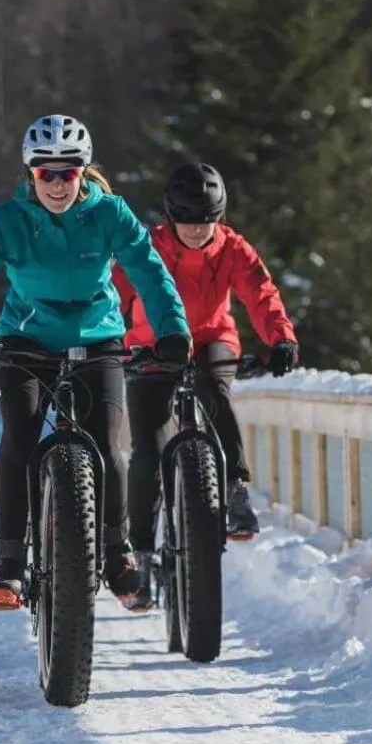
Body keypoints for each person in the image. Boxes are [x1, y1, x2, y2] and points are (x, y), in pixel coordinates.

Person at [0, 113, 192, 611]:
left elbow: (149, 271)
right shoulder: (8, 221)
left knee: (108, 445)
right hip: (26, 342)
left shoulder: (111, 215)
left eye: (67, 172)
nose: (56, 184)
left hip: (99, 339)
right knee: (20, 435)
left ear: (84, 171)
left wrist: (172, 330)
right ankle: (9, 563)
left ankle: (116, 555)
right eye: (45, 173)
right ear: (30, 174)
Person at [112, 161, 299, 609]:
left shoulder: (233, 248)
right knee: (148, 448)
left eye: (207, 223)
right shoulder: (148, 247)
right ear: (170, 217)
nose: (198, 232)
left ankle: (235, 490)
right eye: (188, 223)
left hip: (212, 339)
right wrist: (108, 344)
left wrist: (282, 340)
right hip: (152, 346)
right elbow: (113, 293)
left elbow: (261, 294)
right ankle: (138, 549)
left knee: (216, 392)